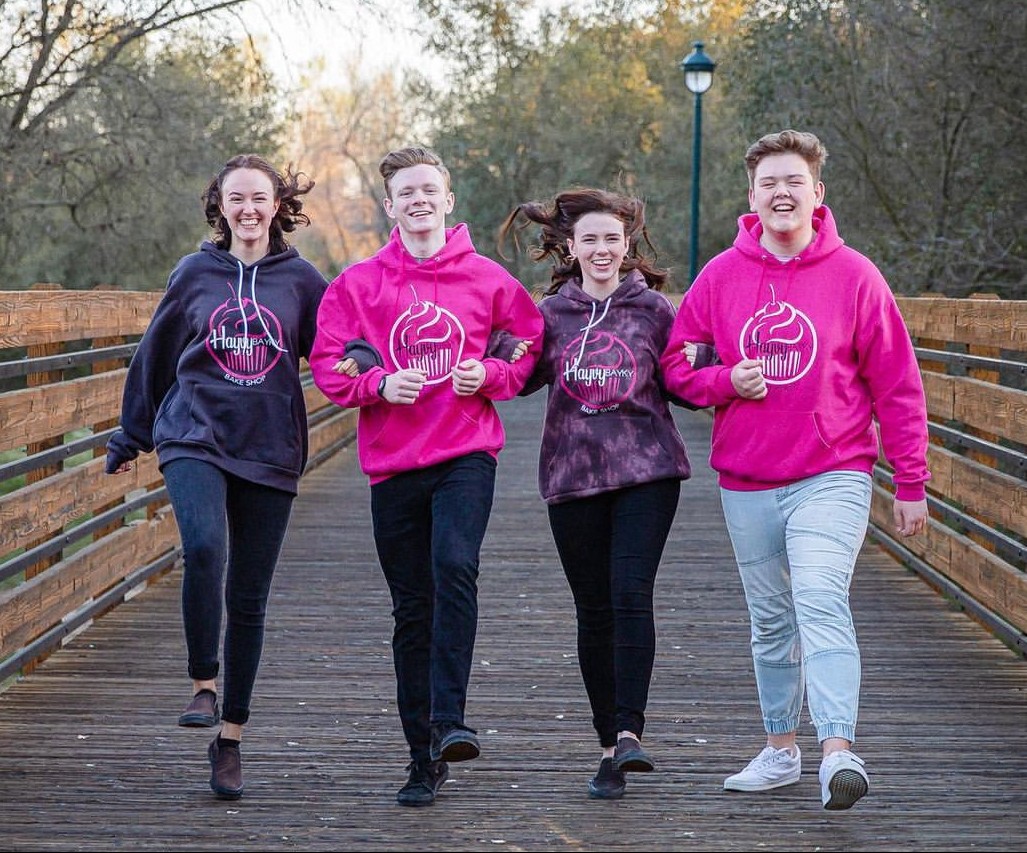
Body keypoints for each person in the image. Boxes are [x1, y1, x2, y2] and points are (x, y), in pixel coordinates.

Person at [660, 129, 930, 810]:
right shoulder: (720, 275)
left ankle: (837, 751)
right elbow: (675, 363)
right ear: (751, 197)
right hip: (747, 479)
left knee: (818, 596)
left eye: (793, 181)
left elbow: (897, 385)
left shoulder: (855, 276)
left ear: (817, 192)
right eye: (768, 183)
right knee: (771, 621)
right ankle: (780, 750)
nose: (781, 193)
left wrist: (909, 480)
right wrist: (724, 380)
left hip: (831, 471)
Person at [308, 145, 544, 807]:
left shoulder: (487, 278)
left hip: (465, 453)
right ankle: (422, 758)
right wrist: (380, 382)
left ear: (447, 200)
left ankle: (450, 719)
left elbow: (526, 341)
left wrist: (490, 375)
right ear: (390, 206)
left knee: (455, 563)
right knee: (412, 608)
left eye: (427, 190)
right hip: (392, 463)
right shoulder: (357, 285)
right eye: (404, 192)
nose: (417, 200)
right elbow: (329, 363)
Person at [105, 154, 329, 801]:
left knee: (250, 596)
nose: (249, 209)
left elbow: (335, 346)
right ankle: (203, 682)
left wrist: (371, 361)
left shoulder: (301, 280)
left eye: (260, 198)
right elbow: (155, 354)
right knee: (204, 546)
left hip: (269, 447)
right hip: (193, 433)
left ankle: (228, 739)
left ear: (277, 205)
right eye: (237, 198)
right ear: (220, 205)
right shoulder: (195, 272)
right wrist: (132, 431)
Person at [497, 188, 696, 800]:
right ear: (572, 247)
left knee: (631, 592)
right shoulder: (550, 314)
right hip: (573, 477)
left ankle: (631, 731)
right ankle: (608, 747)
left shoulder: (656, 311)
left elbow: (689, 383)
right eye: (591, 239)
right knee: (594, 609)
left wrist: (733, 368)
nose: (603, 248)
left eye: (613, 238)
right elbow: (516, 376)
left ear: (627, 244)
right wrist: (473, 358)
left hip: (647, 473)